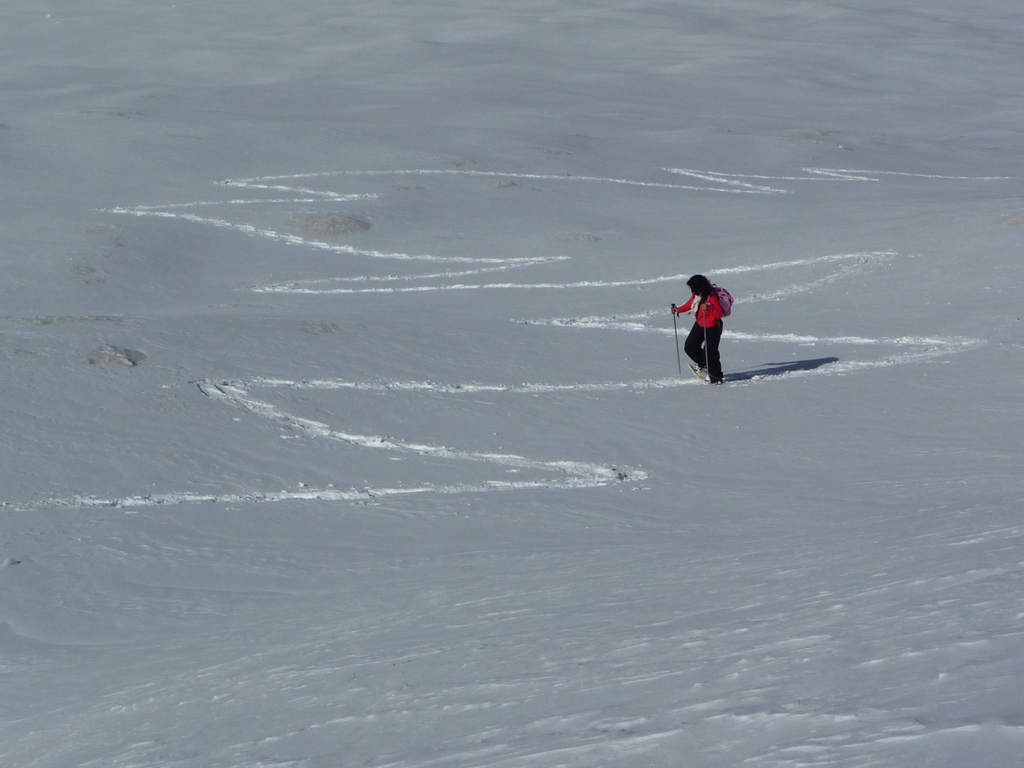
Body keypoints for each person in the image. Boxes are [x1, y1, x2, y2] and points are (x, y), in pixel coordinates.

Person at [672, 274, 724, 384]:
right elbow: (690, 304)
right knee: (690, 346)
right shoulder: (697, 295)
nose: (692, 291)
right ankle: (703, 365)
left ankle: (716, 377)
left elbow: (719, 313)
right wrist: (678, 310)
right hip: (700, 324)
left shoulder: (712, 296)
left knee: (711, 353)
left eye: (693, 289)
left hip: (713, 327)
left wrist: (709, 308)